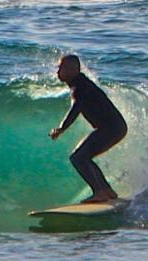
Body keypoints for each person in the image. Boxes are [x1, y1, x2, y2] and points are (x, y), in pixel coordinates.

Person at [47, 52, 127, 204]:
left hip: (110, 128)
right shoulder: (81, 83)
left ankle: (100, 192)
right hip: (115, 127)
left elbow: (76, 109)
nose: (57, 72)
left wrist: (61, 128)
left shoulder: (80, 87)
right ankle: (106, 190)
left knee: (78, 157)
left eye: (61, 68)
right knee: (84, 157)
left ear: (73, 70)